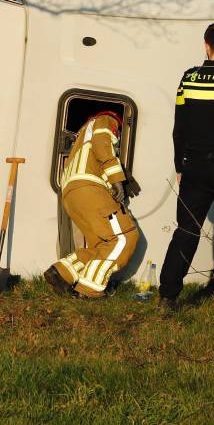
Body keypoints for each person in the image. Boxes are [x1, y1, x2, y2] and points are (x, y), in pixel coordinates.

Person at [159, 22, 214, 311]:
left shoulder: (189, 78)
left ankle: (168, 296)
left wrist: (179, 163)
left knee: (186, 231)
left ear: (206, 45)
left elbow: (179, 127)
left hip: (193, 165)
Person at [45, 110, 140, 298]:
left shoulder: (82, 135)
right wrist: (117, 180)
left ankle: (62, 273)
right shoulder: (106, 120)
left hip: (71, 193)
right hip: (89, 187)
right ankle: (90, 289)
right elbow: (102, 146)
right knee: (124, 237)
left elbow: (94, 157)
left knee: (101, 245)